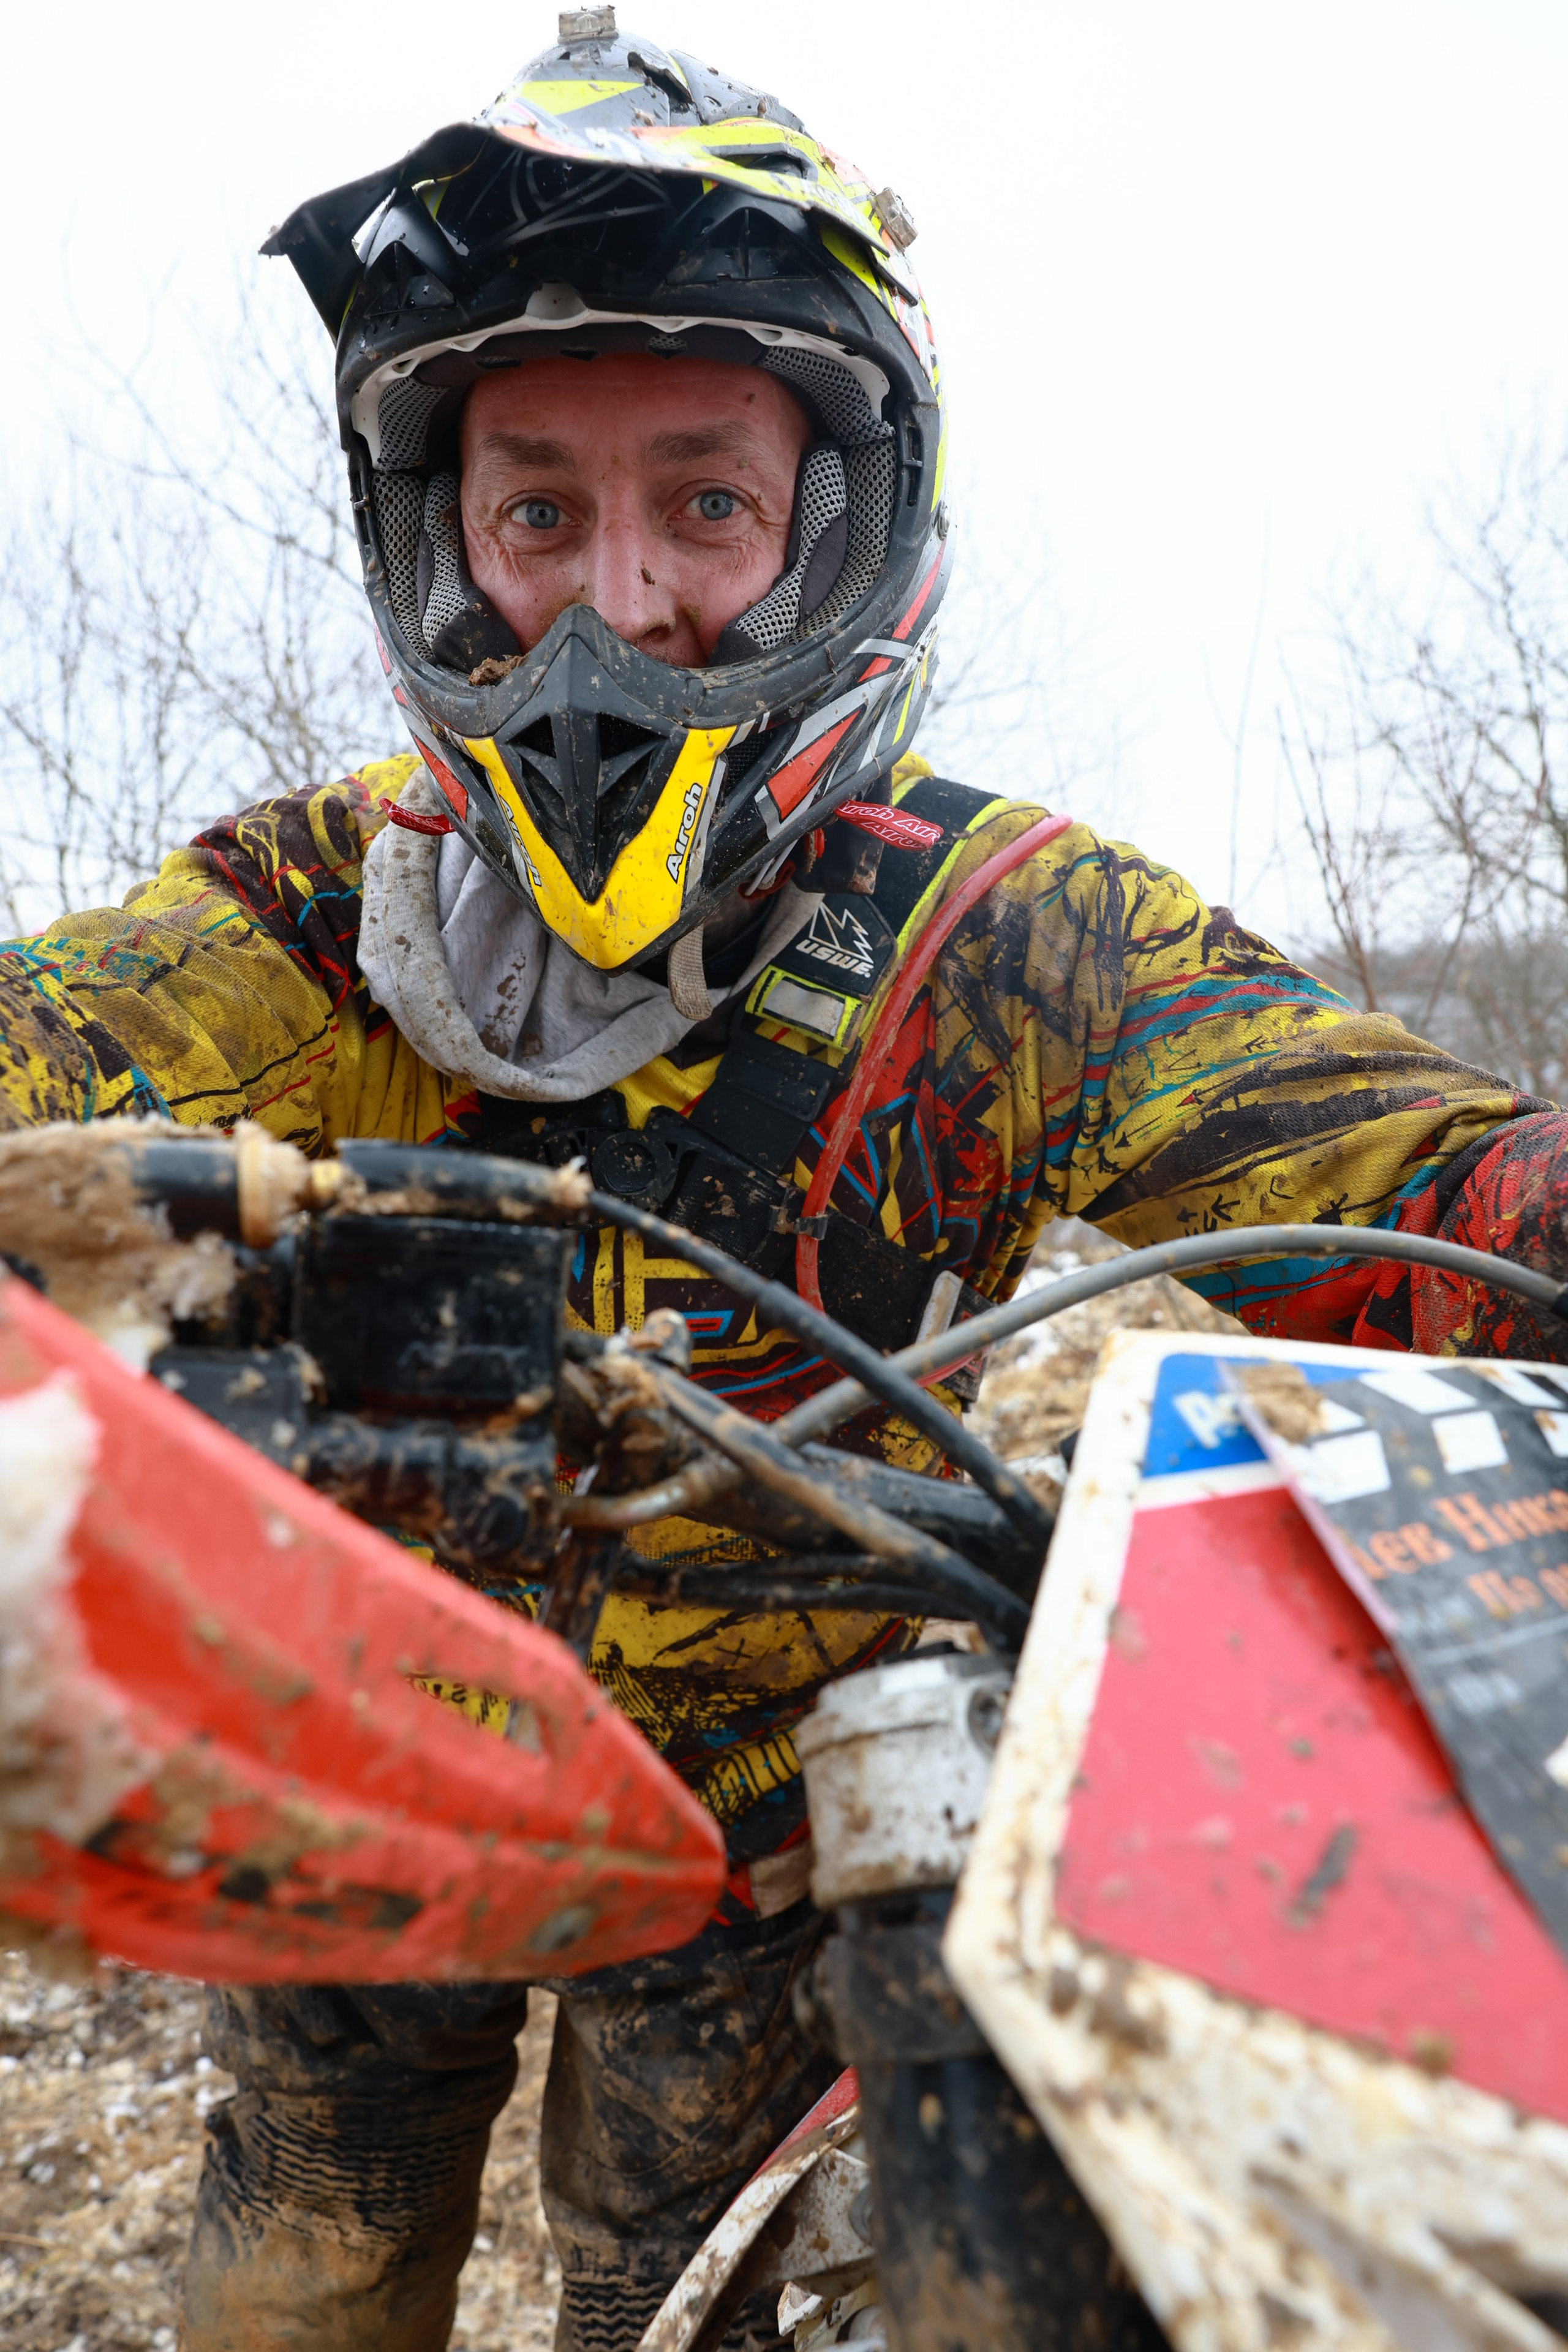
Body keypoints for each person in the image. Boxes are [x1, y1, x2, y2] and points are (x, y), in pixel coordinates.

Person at [3, 16, 1564, 2350]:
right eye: (538, 511)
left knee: (684, 2303)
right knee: (302, 2267)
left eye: (707, 506)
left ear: (842, 528)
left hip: (753, 1848)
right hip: (350, 1757)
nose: (615, 603)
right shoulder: (307, 916)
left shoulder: (1002, 942)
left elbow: (1427, 1189)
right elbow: (53, 1030)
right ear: (441, 544)